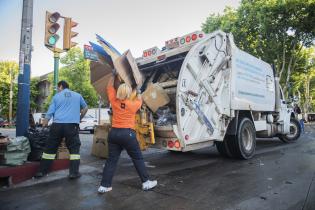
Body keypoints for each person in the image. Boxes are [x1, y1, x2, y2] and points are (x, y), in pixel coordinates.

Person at [98, 75, 157, 193]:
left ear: (119, 91)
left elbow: (109, 87)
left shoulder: (113, 101)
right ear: (129, 93)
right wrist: (138, 91)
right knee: (137, 158)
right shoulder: (132, 104)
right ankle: (146, 182)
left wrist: (113, 75)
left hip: (114, 133)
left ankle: (104, 186)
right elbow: (140, 99)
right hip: (127, 134)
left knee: (111, 160)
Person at [34, 81, 88, 179]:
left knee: (50, 148)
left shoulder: (57, 97)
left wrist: (44, 124)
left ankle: (42, 172)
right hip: (72, 125)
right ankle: (73, 173)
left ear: (61, 86)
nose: (58, 90)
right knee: (74, 149)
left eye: (58, 88)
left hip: (57, 126)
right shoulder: (77, 95)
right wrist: (79, 118)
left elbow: (50, 112)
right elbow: (85, 108)